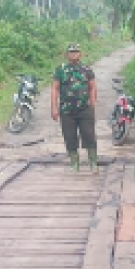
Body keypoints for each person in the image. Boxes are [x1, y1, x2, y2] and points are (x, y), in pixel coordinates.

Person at [50, 43, 99, 173]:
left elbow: (92, 86)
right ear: (67, 54)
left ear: (80, 54)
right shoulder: (60, 70)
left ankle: (93, 163)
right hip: (67, 110)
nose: (74, 54)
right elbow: (54, 88)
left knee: (89, 135)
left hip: (85, 109)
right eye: (71, 52)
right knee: (69, 136)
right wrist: (54, 108)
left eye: (76, 51)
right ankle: (74, 163)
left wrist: (93, 102)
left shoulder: (86, 69)